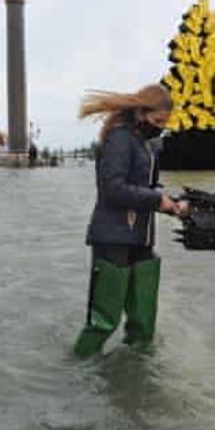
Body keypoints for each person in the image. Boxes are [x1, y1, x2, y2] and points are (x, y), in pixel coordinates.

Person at [72, 83, 188, 357]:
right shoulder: (119, 139)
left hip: (140, 239)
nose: (161, 128)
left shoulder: (143, 144)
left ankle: (140, 372)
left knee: (143, 320)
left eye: (165, 123)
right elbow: (112, 189)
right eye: (158, 121)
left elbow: (147, 187)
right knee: (103, 321)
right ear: (140, 112)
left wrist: (171, 201)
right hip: (112, 239)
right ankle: (80, 369)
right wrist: (156, 200)